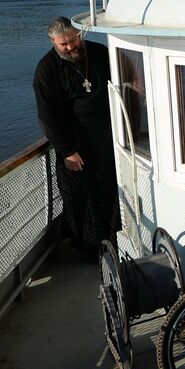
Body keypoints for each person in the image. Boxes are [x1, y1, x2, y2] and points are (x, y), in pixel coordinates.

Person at [34, 17, 119, 252]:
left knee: (109, 190)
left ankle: (114, 242)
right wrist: (67, 151)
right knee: (79, 197)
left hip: (108, 137)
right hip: (75, 145)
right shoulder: (46, 70)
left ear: (79, 34)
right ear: (53, 43)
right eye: (64, 44)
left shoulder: (100, 53)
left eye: (73, 40)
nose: (70, 47)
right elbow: (47, 116)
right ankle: (87, 249)